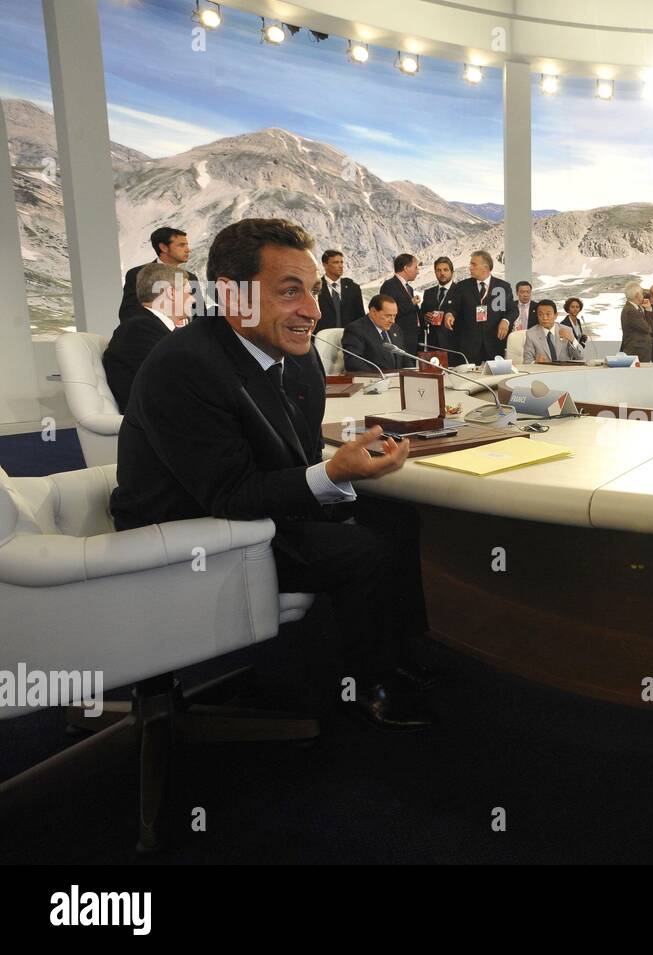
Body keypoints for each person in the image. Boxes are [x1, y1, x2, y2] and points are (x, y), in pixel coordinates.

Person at [109, 217, 430, 729]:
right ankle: (369, 683)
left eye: (314, 291)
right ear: (233, 299)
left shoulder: (297, 359)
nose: (313, 310)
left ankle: (398, 658)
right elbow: (229, 493)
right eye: (290, 292)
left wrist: (340, 477)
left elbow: (293, 459)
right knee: (362, 550)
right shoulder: (184, 365)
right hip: (191, 532)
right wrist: (333, 476)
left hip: (261, 510)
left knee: (397, 517)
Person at [103, 262, 194, 408]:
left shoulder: (149, 327)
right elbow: (176, 383)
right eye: (189, 293)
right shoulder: (139, 330)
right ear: (171, 293)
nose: (193, 300)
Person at [445, 250, 516, 363]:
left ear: (485, 267)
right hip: (469, 347)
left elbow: (512, 310)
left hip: (495, 344)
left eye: (474, 264)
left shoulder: (502, 287)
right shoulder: (462, 287)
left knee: (494, 380)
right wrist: (449, 314)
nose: (470, 267)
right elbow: (453, 307)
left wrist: (506, 321)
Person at [119, 227, 200, 320]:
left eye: (187, 245)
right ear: (163, 247)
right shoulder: (137, 274)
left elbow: (199, 313)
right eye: (181, 245)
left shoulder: (191, 277)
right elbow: (128, 313)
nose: (188, 250)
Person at [341, 295, 408, 371]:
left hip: (398, 379)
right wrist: (381, 376)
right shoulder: (356, 329)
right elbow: (353, 362)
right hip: (374, 380)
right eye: (388, 316)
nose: (392, 321)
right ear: (373, 312)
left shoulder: (395, 329)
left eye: (394, 316)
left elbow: (405, 358)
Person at [379, 253, 423, 347]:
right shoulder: (389, 286)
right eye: (416, 268)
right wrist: (411, 303)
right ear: (406, 268)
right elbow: (387, 313)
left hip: (413, 337)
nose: (418, 271)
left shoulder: (409, 288)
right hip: (399, 338)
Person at [315, 249, 365, 330]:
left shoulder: (353, 288)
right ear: (325, 265)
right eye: (336, 262)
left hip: (349, 337)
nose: (340, 266)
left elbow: (360, 317)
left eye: (341, 262)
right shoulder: (316, 288)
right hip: (324, 338)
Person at [523, 299, 584, 363]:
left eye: (548, 314)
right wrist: (535, 362)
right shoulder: (531, 334)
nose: (544, 318)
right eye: (540, 314)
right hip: (543, 371)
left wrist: (573, 339)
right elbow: (527, 361)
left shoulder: (567, 330)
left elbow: (580, 357)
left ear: (555, 315)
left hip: (563, 371)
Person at [419, 256, 458, 353]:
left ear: (452, 272)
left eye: (446, 270)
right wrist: (425, 317)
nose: (442, 273)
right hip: (433, 345)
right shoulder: (429, 292)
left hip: (454, 345)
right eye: (438, 270)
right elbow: (422, 314)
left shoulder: (460, 291)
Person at [619, 282, 653, 361]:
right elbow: (647, 328)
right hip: (637, 352)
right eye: (642, 294)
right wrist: (648, 310)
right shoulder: (631, 310)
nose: (643, 296)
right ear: (637, 295)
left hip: (639, 352)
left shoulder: (635, 308)